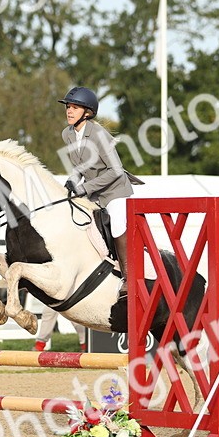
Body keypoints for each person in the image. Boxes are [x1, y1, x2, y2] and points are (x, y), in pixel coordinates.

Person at [58, 86, 143, 294]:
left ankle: (128, 277)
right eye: (68, 107)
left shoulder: (98, 134)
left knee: (116, 224)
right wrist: (73, 180)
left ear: (87, 112)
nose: (69, 111)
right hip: (94, 193)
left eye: (75, 108)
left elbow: (115, 170)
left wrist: (85, 187)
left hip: (116, 191)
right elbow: (79, 166)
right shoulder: (67, 134)